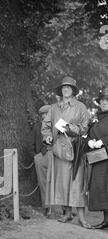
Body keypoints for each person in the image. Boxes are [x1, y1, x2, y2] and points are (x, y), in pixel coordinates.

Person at [41, 76, 91, 228]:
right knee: (63, 182)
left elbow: (85, 128)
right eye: (64, 87)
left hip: (75, 149)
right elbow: (46, 126)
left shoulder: (80, 107)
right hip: (59, 150)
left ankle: (82, 217)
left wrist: (69, 128)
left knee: (77, 182)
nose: (66, 89)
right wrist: (48, 137)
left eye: (69, 87)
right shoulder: (54, 108)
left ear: (73, 90)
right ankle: (67, 213)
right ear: (61, 90)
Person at [86, 87, 108, 229]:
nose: (105, 102)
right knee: (101, 188)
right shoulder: (96, 118)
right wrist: (89, 140)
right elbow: (89, 133)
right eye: (103, 100)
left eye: (107, 100)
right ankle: (106, 220)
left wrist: (103, 141)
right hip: (99, 158)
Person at [29, 104, 51, 216]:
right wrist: (35, 156)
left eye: (47, 113)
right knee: (43, 182)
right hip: (41, 156)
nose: (45, 116)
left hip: (54, 155)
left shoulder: (57, 126)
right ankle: (47, 208)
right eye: (43, 114)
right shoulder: (37, 127)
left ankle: (66, 209)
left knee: (59, 181)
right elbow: (31, 144)